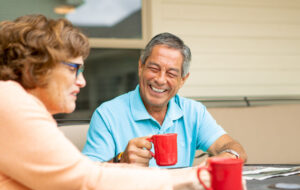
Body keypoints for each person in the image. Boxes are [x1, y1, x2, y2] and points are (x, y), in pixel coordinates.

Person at [0, 15, 209, 190]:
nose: (82, 82)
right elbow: (86, 183)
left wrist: (179, 174)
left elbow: (85, 171)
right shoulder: (9, 100)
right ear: (33, 68)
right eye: (74, 69)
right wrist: (187, 179)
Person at [82, 32, 248, 168]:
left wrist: (228, 156)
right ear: (140, 67)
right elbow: (85, 177)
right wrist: (121, 160)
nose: (160, 80)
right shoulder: (107, 115)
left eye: (171, 74)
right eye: (154, 69)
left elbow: (234, 148)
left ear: (183, 80)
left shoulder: (194, 112)